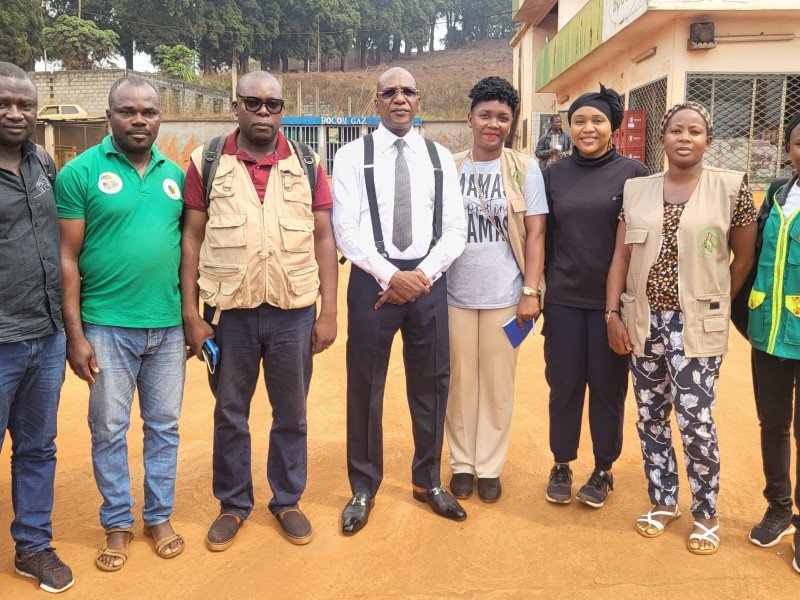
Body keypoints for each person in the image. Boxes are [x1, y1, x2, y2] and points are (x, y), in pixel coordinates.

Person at [180, 71, 337, 550]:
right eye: (253, 102)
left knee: (291, 412)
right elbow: (191, 238)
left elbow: (324, 237)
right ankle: (233, 504)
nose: (263, 112)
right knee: (231, 413)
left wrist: (329, 312)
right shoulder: (208, 161)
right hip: (230, 315)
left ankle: (287, 500)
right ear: (236, 106)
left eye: (273, 104)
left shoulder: (307, 162)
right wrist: (191, 314)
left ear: (283, 110)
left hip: (293, 313)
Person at [606, 102, 756, 555]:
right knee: (651, 416)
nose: (684, 138)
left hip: (697, 326)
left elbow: (742, 257)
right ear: (663, 139)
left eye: (695, 131)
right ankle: (663, 500)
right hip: (644, 321)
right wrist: (612, 314)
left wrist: (717, 303)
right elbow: (621, 257)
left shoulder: (730, 188)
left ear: (708, 140)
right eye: (676, 130)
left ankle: (705, 513)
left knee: (696, 422)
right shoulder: (637, 190)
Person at [57, 76, 186, 571]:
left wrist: (191, 316)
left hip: (168, 327)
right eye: (128, 111)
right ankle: (116, 521)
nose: (139, 120)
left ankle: (158, 517)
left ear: (159, 118)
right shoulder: (80, 173)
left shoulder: (175, 175)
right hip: (106, 326)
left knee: (164, 427)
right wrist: (75, 335)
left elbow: (185, 249)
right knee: (109, 429)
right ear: (109, 115)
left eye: (148, 112)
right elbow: (67, 257)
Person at [332, 67, 467, 535]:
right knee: (365, 384)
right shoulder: (352, 156)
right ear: (376, 102)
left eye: (407, 91)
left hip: (427, 281)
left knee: (432, 382)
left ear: (418, 100)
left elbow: (455, 229)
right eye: (389, 92)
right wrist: (391, 275)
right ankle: (363, 486)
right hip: (373, 281)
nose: (399, 98)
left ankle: (427, 480)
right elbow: (345, 229)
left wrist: (420, 276)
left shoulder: (439, 157)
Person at [542, 85, 650, 509]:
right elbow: (544, 237)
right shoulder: (553, 174)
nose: (588, 128)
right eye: (580, 121)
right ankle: (562, 463)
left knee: (608, 388)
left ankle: (604, 468)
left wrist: (625, 305)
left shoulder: (635, 175)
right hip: (564, 301)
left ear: (613, 128)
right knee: (563, 385)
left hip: (613, 307)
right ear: (569, 127)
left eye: (598, 121)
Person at [445, 77, 547, 503]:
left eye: (503, 117)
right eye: (485, 114)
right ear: (470, 118)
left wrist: (530, 291)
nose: (493, 123)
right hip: (453, 295)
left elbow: (536, 232)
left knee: (497, 384)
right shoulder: (449, 167)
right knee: (459, 381)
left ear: (511, 124)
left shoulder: (525, 169)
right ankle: (461, 463)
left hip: (506, 295)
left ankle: (488, 466)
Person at [0, 62, 74, 594]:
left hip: (46, 337)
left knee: (37, 447)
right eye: (4, 103)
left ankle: (32, 546)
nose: (14, 113)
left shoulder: (43, 162)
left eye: (25, 104)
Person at [745, 112, 800, 574]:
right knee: (773, 424)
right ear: (789, 148)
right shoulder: (778, 193)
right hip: (769, 331)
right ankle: (779, 507)